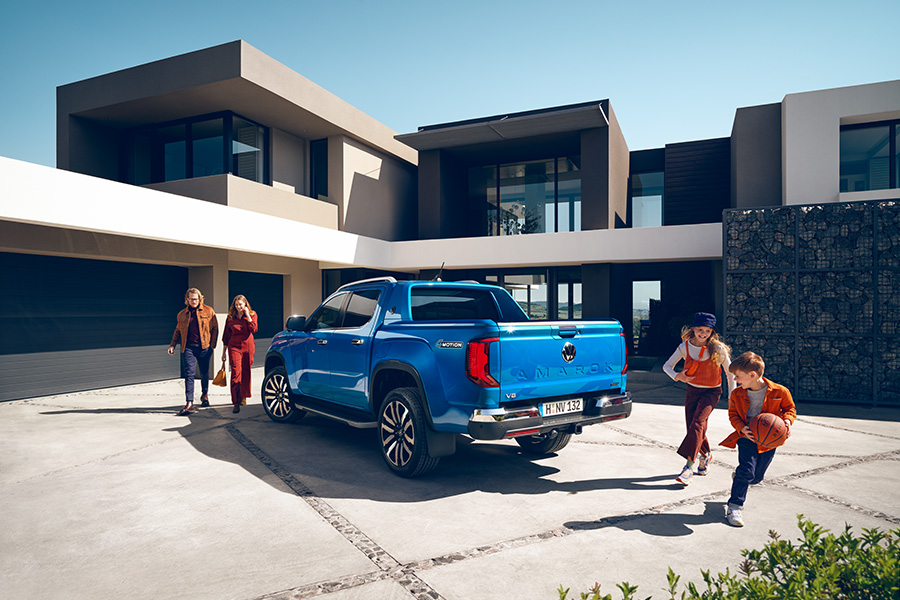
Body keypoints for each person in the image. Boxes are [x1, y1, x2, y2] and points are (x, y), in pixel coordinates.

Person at [719, 351, 796, 527]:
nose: (736, 380)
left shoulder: (780, 391)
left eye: (738, 376)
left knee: (756, 477)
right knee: (746, 470)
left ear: (752, 375)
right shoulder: (737, 394)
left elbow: (790, 409)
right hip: (747, 436)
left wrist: (786, 422)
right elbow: (733, 415)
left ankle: (742, 478)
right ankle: (735, 506)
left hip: (769, 440)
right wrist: (741, 428)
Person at [663, 312, 735, 486]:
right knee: (694, 427)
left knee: (697, 424)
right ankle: (706, 455)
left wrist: (733, 396)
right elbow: (667, 366)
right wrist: (677, 376)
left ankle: (688, 467)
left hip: (711, 393)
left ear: (712, 332)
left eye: (707, 331)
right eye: (700, 330)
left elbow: (730, 372)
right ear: (693, 329)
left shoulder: (718, 349)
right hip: (692, 391)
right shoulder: (684, 347)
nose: (703, 333)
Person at [168, 288, 218, 416]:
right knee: (189, 374)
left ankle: (205, 395)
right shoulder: (182, 314)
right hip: (189, 348)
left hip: (204, 347)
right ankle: (189, 403)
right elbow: (178, 331)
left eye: (196, 299)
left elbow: (215, 329)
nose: (194, 301)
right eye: (191, 299)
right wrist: (172, 345)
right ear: (187, 299)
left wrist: (212, 346)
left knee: (204, 372)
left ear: (200, 298)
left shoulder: (209, 311)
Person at [221, 295, 258, 414]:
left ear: (245, 304)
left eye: (241, 305)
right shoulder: (230, 317)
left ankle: (243, 396)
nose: (238, 307)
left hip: (248, 346)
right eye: (236, 305)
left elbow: (253, 329)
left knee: (246, 371)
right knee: (236, 373)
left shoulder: (252, 314)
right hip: (234, 346)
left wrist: (247, 315)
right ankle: (236, 402)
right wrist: (223, 353)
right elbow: (226, 335)